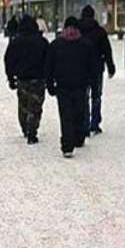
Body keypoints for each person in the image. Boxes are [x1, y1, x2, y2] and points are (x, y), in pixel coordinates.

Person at [45, 17, 96, 158]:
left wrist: (50, 84)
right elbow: (93, 67)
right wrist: (93, 83)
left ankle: (67, 145)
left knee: (66, 115)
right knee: (79, 112)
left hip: (63, 86)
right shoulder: (86, 44)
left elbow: (49, 67)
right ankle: (79, 138)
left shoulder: (56, 45)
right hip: (81, 85)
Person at [4, 15, 49, 145]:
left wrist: (11, 77)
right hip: (38, 78)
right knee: (36, 105)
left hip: (22, 79)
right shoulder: (42, 42)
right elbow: (48, 60)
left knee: (23, 104)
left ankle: (25, 127)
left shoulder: (15, 42)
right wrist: (49, 77)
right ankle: (32, 130)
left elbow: (8, 60)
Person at [78, 5, 116, 135]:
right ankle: (95, 123)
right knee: (96, 95)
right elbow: (107, 51)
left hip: (81, 68)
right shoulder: (100, 31)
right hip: (96, 67)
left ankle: (84, 122)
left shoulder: (77, 30)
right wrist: (111, 66)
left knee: (83, 95)